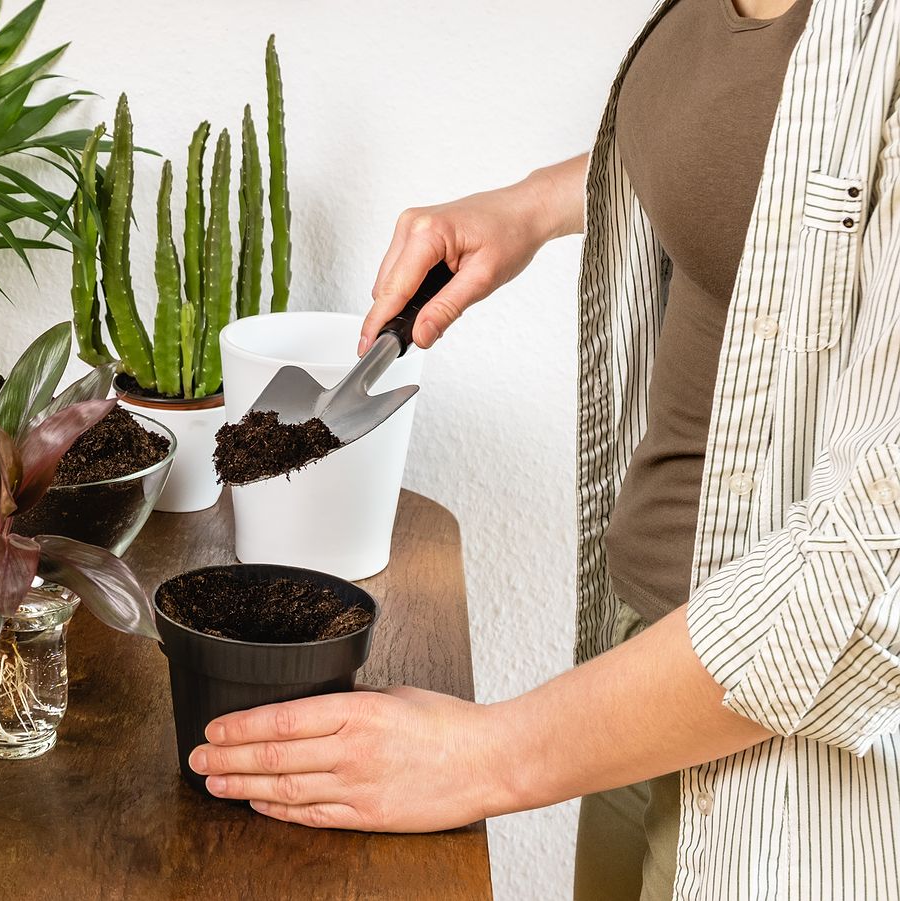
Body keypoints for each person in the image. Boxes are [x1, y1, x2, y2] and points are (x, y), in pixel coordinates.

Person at [187, 0, 900, 898]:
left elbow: (876, 568)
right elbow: (764, 141)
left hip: (787, 762)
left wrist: (487, 755)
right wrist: (533, 203)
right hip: (635, 681)